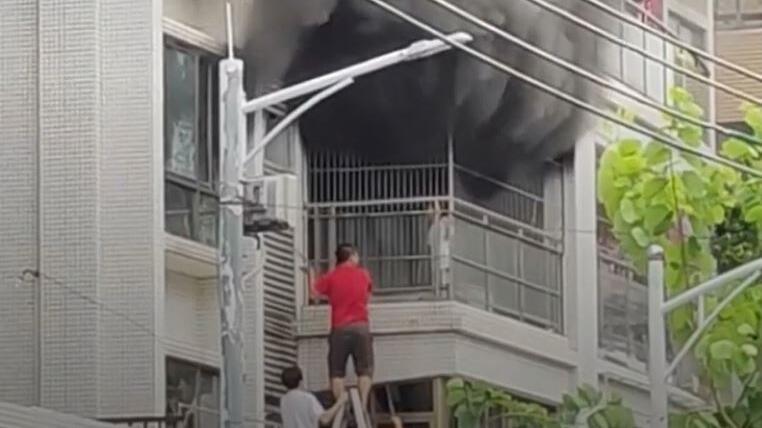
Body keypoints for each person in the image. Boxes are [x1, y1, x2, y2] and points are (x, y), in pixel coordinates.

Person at [310, 243, 374, 408]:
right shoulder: (363, 274)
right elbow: (368, 295)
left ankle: (340, 404)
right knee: (365, 368)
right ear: (351, 256)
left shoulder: (331, 277)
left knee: (337, 370)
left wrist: (309, 274)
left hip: (339, 327)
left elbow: (314, 292)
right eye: (357, 255)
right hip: (361, 326)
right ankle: (363, 402)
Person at [280, 366, 348, 428]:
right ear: (300, 382)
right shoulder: (307, 398)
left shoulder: (283, 400)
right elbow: (325, 419)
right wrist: (340, 401)